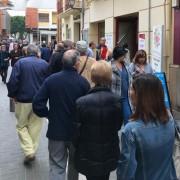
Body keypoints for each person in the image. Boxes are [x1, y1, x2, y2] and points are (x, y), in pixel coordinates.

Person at [32, 50, 90, 180]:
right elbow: (87, 108)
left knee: (57, 165)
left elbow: (37, 103)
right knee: (75, 165)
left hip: (56, 130)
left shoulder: (51, 80)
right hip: (76, 132)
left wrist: (47, 114)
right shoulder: (83, 83)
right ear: (76, 64)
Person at [117, 74, 177, 180]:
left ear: (141, 96)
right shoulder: (169, 119)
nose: (129, 93)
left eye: (132, 89)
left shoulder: (131, 130)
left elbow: (126, 171)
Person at [74, 60, 122, 180]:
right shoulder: (116, 101)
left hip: (87, 153)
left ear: (93, 77)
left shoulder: (81, 102)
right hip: (109, 152)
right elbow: (118, 126)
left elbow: (76, 131)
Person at [7, 44, 49, 164]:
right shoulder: (44, 64)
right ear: (38, 53)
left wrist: (13, 95)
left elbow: (14, 81)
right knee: (35, 127)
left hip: (23, 99)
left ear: (26, 52)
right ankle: (31, 150)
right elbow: (48, 82)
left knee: (21, 126)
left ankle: (29, 150)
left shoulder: (20, 63)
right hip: (39, 101)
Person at [111, 46, 132, 125]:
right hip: (114, 97)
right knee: (115, 121)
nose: (125, 57)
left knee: (128, 117)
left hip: (126, 97)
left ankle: (127, 136)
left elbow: (130, 78)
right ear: (118, 55)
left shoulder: (126, 65)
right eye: (123, 55)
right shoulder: (109, 65)